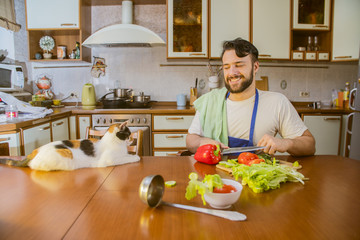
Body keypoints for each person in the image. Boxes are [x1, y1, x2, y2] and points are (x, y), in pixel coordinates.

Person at [186, 38, 315, 157]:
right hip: (217, 179)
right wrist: (205, 142)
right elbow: (190, 141)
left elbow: (310, 145)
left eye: (239, 65)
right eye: (226, 67)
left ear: (255, 67)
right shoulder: (210, 102)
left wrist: (286, 143)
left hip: (258, 179)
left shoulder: (277, 102)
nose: (232, 73)